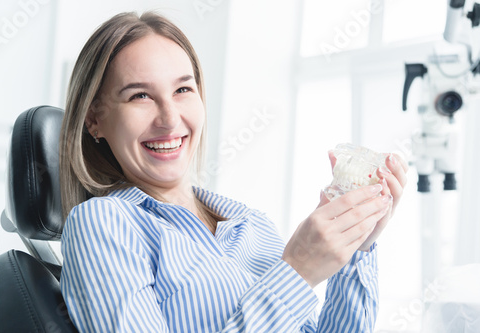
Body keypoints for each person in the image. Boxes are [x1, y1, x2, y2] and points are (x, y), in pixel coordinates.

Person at [59, 11, 408, 332]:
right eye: (140, 96)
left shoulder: (251, 224)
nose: (169, 118)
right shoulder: (102, 223)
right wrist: (298, 271)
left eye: (182, 89)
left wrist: (355, 245)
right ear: (94, 120)